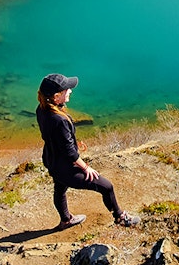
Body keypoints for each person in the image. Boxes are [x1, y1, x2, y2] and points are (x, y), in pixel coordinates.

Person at [35, 73, 141, 230]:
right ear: (57, 97)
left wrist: (69, 141)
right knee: (107, 186)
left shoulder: (42, 109)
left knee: (60, 189)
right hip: (66, 167)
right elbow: (70, 153)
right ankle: (120, 217)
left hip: (52, 160)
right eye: (67, 89)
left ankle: (66, 220)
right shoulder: (60, 120)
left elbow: (54, 137)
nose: (70, 90)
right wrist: (85, 167)